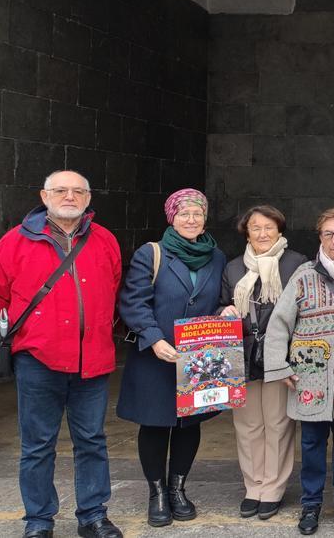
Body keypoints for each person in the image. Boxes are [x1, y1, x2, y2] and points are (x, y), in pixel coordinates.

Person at [0, 171, 124, 538]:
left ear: (89, 197)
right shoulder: (15, 242)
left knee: (91, 440)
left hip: (92, 359)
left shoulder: (105, 239)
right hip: (38, 360)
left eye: (78, 190)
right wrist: (24, 335)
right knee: (37, 445)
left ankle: (93, 516)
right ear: (44, 195)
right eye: (61, 190)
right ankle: (39, 521)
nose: (70, 196)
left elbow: (114, 288)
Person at [116, 188, 227, 528]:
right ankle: (157, 493)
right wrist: (153, 339)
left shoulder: (216, 256)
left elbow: (217, 300)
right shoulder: (151, 254)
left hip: (197, 358)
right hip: (157, 356)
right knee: (155, 424)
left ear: (205, 218)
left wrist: (227, 310)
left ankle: (178, 487)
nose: (191, 220)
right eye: (184, 214)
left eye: (197, 214)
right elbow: (133, 302)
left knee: (188, 424)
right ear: (171, 217)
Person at [265, 206, 334, 535]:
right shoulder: (304, 274)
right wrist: (279, 366)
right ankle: (310, 504)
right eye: (328, 234)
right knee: (311, 443)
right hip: (310, 375)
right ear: (320, 237)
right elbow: (280, 323)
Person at [219, 205, 305, 520]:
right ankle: (253, 486)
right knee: (247, 425)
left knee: (279, 423)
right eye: (256, 228)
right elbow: (221, 303)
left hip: (279, 355)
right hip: (242, 355)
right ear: (247, 232)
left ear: (279, 230)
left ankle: (273, 488)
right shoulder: (232, 268)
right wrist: (223, 312)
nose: (262, 233)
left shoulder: (296, 263)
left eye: (269, 227)